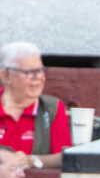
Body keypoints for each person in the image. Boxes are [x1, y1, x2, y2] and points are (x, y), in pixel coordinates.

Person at [0, 41, 72, 170]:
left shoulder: (52, 108)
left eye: (40, 70)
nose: (38, 77)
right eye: (29, 72)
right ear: (5, 75)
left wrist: (33, 160)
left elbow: (64, 156)